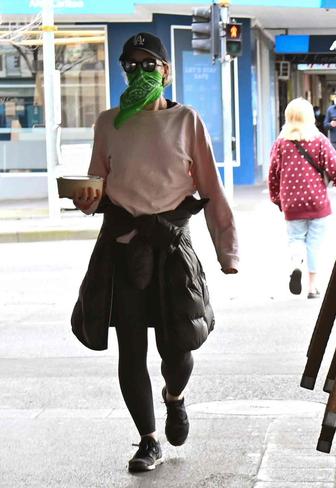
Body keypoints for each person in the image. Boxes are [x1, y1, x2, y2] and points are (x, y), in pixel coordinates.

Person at [69, 32, 239, 473]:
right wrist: (88, 198)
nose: (141, 72)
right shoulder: (109, 123)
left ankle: (175, 397)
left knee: (179, 348)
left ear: (166, 71)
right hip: (123, 249)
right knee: (131, 351)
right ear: (124, 71)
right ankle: (148, 441)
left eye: (150, 65)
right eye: (132, 65)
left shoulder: (187, 121)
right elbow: (97, 183)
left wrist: (228, 250)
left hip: (171, 247)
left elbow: (212, 190)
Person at [269, 97, 336, 298]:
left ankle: (296, 264)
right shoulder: (319, 140)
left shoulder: (281, 143)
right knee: (314, 244)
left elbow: (273, 173)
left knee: (296, 239)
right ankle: (312, 287)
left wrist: (277, 199)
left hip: (292, 202)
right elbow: (334, 166)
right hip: (316, 200)